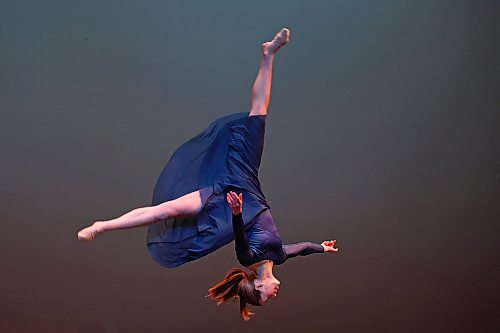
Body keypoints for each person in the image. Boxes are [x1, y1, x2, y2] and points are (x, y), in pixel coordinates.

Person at [77, 27, 339, 320]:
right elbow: (300, 248)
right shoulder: (278, 256)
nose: (273, 296)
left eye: (265, 298)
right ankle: (268, 54)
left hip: (226, 205)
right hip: (246, 181)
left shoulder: (248, 258)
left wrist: (237, 212)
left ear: (258, 284)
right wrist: (322, 249)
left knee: (165, 211)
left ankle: (103, 225)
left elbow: (240, 237)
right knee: (258, 115)